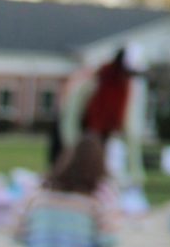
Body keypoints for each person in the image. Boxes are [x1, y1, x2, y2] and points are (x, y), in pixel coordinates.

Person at [55, 45, 149, 189]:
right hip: (81, 133)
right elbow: (70, 118)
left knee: (101, 177)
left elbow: (131, 129)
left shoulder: (126, 89)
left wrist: (136, 170)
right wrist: (73, 148)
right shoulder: (93, 82)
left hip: (103, 135)